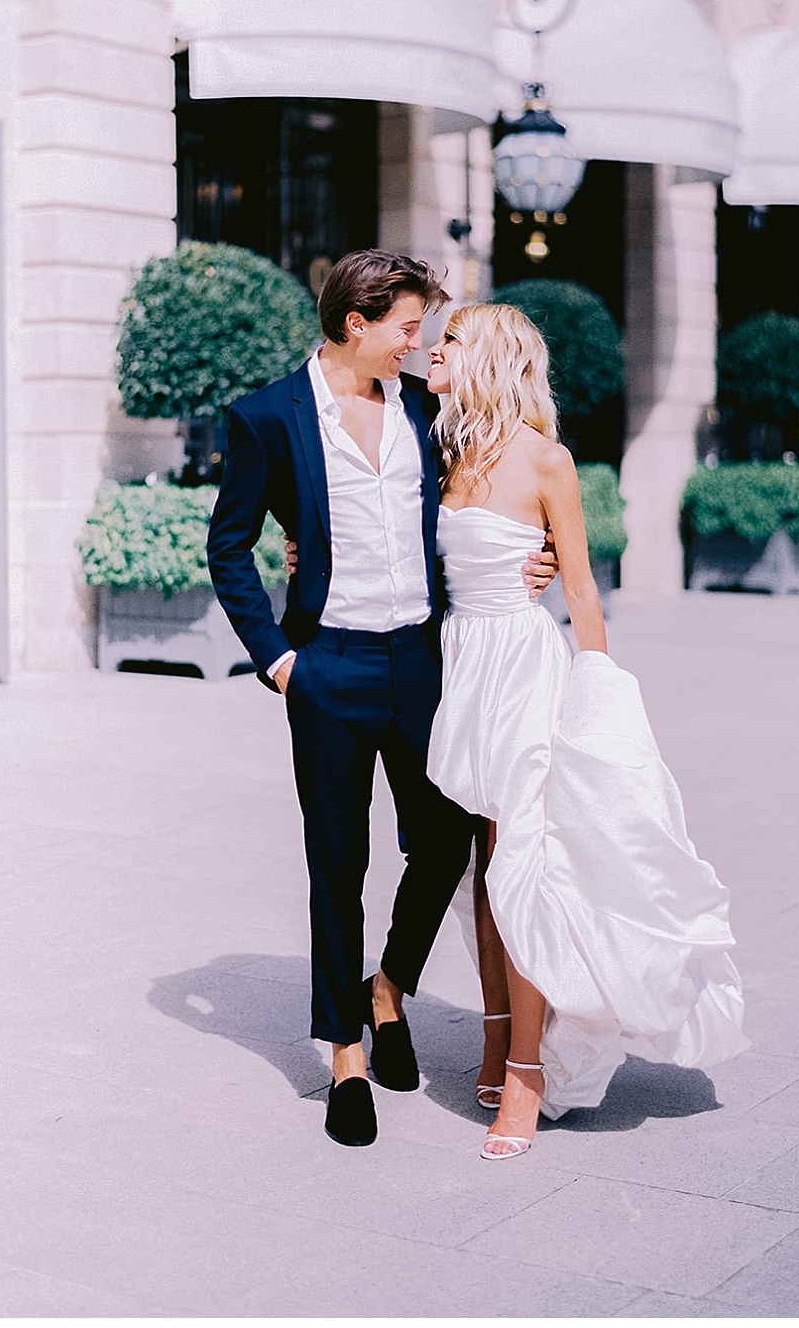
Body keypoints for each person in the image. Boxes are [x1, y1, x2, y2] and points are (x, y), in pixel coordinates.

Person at [206, 251, 556, 1148]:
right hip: (327, 666)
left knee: (443, 835)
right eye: (407, 327)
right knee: (337, 861)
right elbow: (229, 546)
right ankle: (346, 1055)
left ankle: (389, 985)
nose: (418, 342)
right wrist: (280, 660)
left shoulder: (422, 410)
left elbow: (484, 491)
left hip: (420, 659)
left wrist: (530, 556)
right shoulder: (269, 418)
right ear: (355, 323)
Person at [424, 303, 748, 1161]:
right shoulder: (446, 447)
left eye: (449, 340)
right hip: (463, 671)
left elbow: (579, 588)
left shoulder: (548, 459)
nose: (433, 349)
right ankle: (498, 1035)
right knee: (486, 873)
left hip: (527, 675)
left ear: (488, 356)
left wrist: (599, 697)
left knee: (524, 872)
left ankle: (526, 1072)